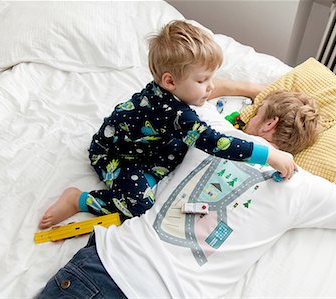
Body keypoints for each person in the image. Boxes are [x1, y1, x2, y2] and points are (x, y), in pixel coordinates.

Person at [37, 79, 336, 298]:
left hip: (103, 270)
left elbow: (197, 86)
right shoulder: (305, 189)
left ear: (269, 123)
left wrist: (253, 89)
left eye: (255, 114)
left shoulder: (212, 129)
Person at [38, 20, 297, 230]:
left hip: (145, 147)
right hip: (114, 155)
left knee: (185, 150)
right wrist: (270, 155)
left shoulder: (169, 94)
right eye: (202, 80)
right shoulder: (175, 114)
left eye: (211, 78)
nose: (210, 87)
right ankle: (79, 199)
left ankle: (151, 171)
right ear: (170, 81)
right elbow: (217, 144)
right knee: (141, 206)